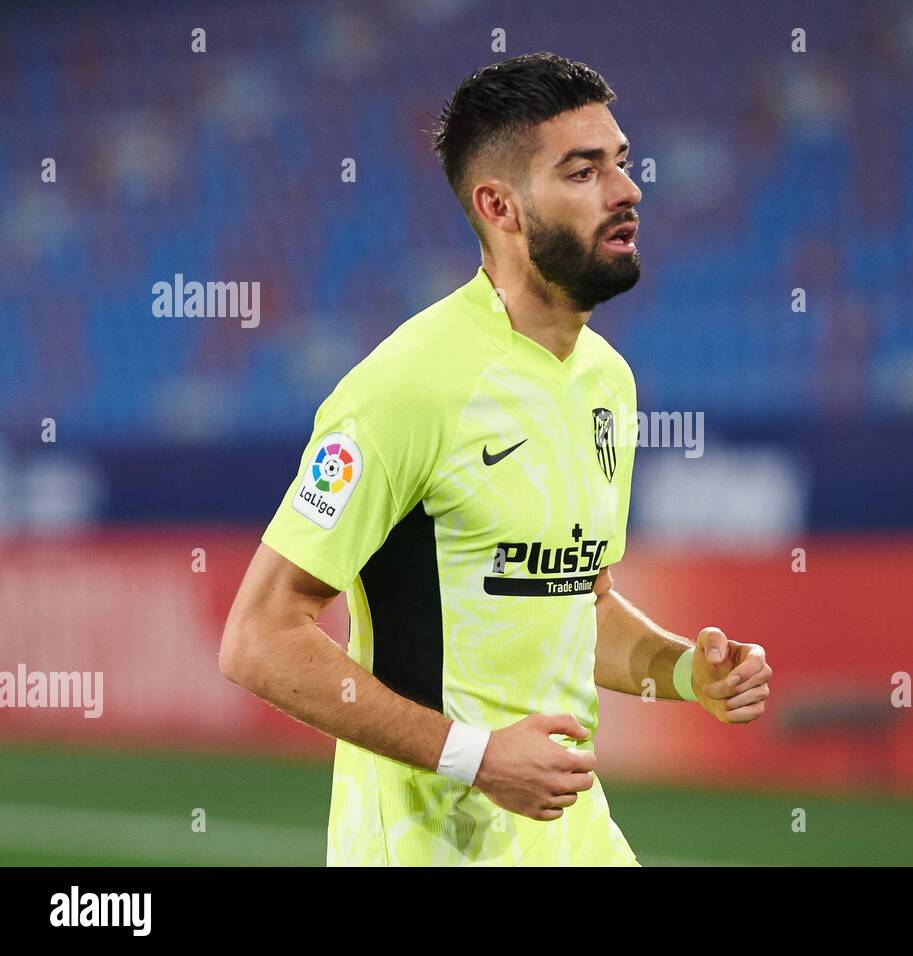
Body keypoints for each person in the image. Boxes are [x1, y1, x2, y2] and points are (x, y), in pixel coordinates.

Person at [219, 52, 772, 866]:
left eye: (620, 163)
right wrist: (475, 756)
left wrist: (690, 673)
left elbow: (571, 604)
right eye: (583, 173)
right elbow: (258, 638)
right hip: (428, 845)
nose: (626, 191)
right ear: (499, 206)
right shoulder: (405, 387)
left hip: (572, 835)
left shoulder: (607, 382)